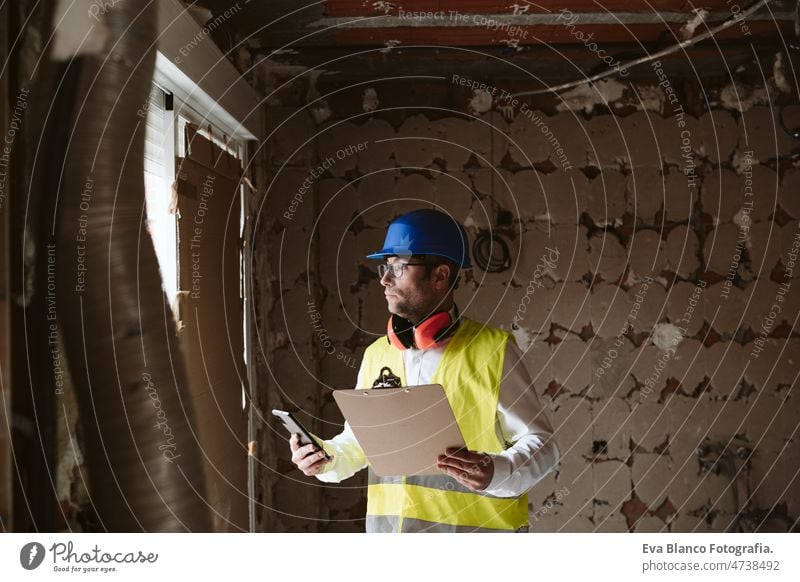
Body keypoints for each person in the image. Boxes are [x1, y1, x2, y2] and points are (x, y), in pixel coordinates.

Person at [289, 208, 559, 532]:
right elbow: (360, 443)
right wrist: (326, 458)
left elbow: (543, 445)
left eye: (399, 267)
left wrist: (496, 470)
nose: (385, 280)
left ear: (440, 275)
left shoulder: (493, 351)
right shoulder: (377, 355)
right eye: (384, 268)